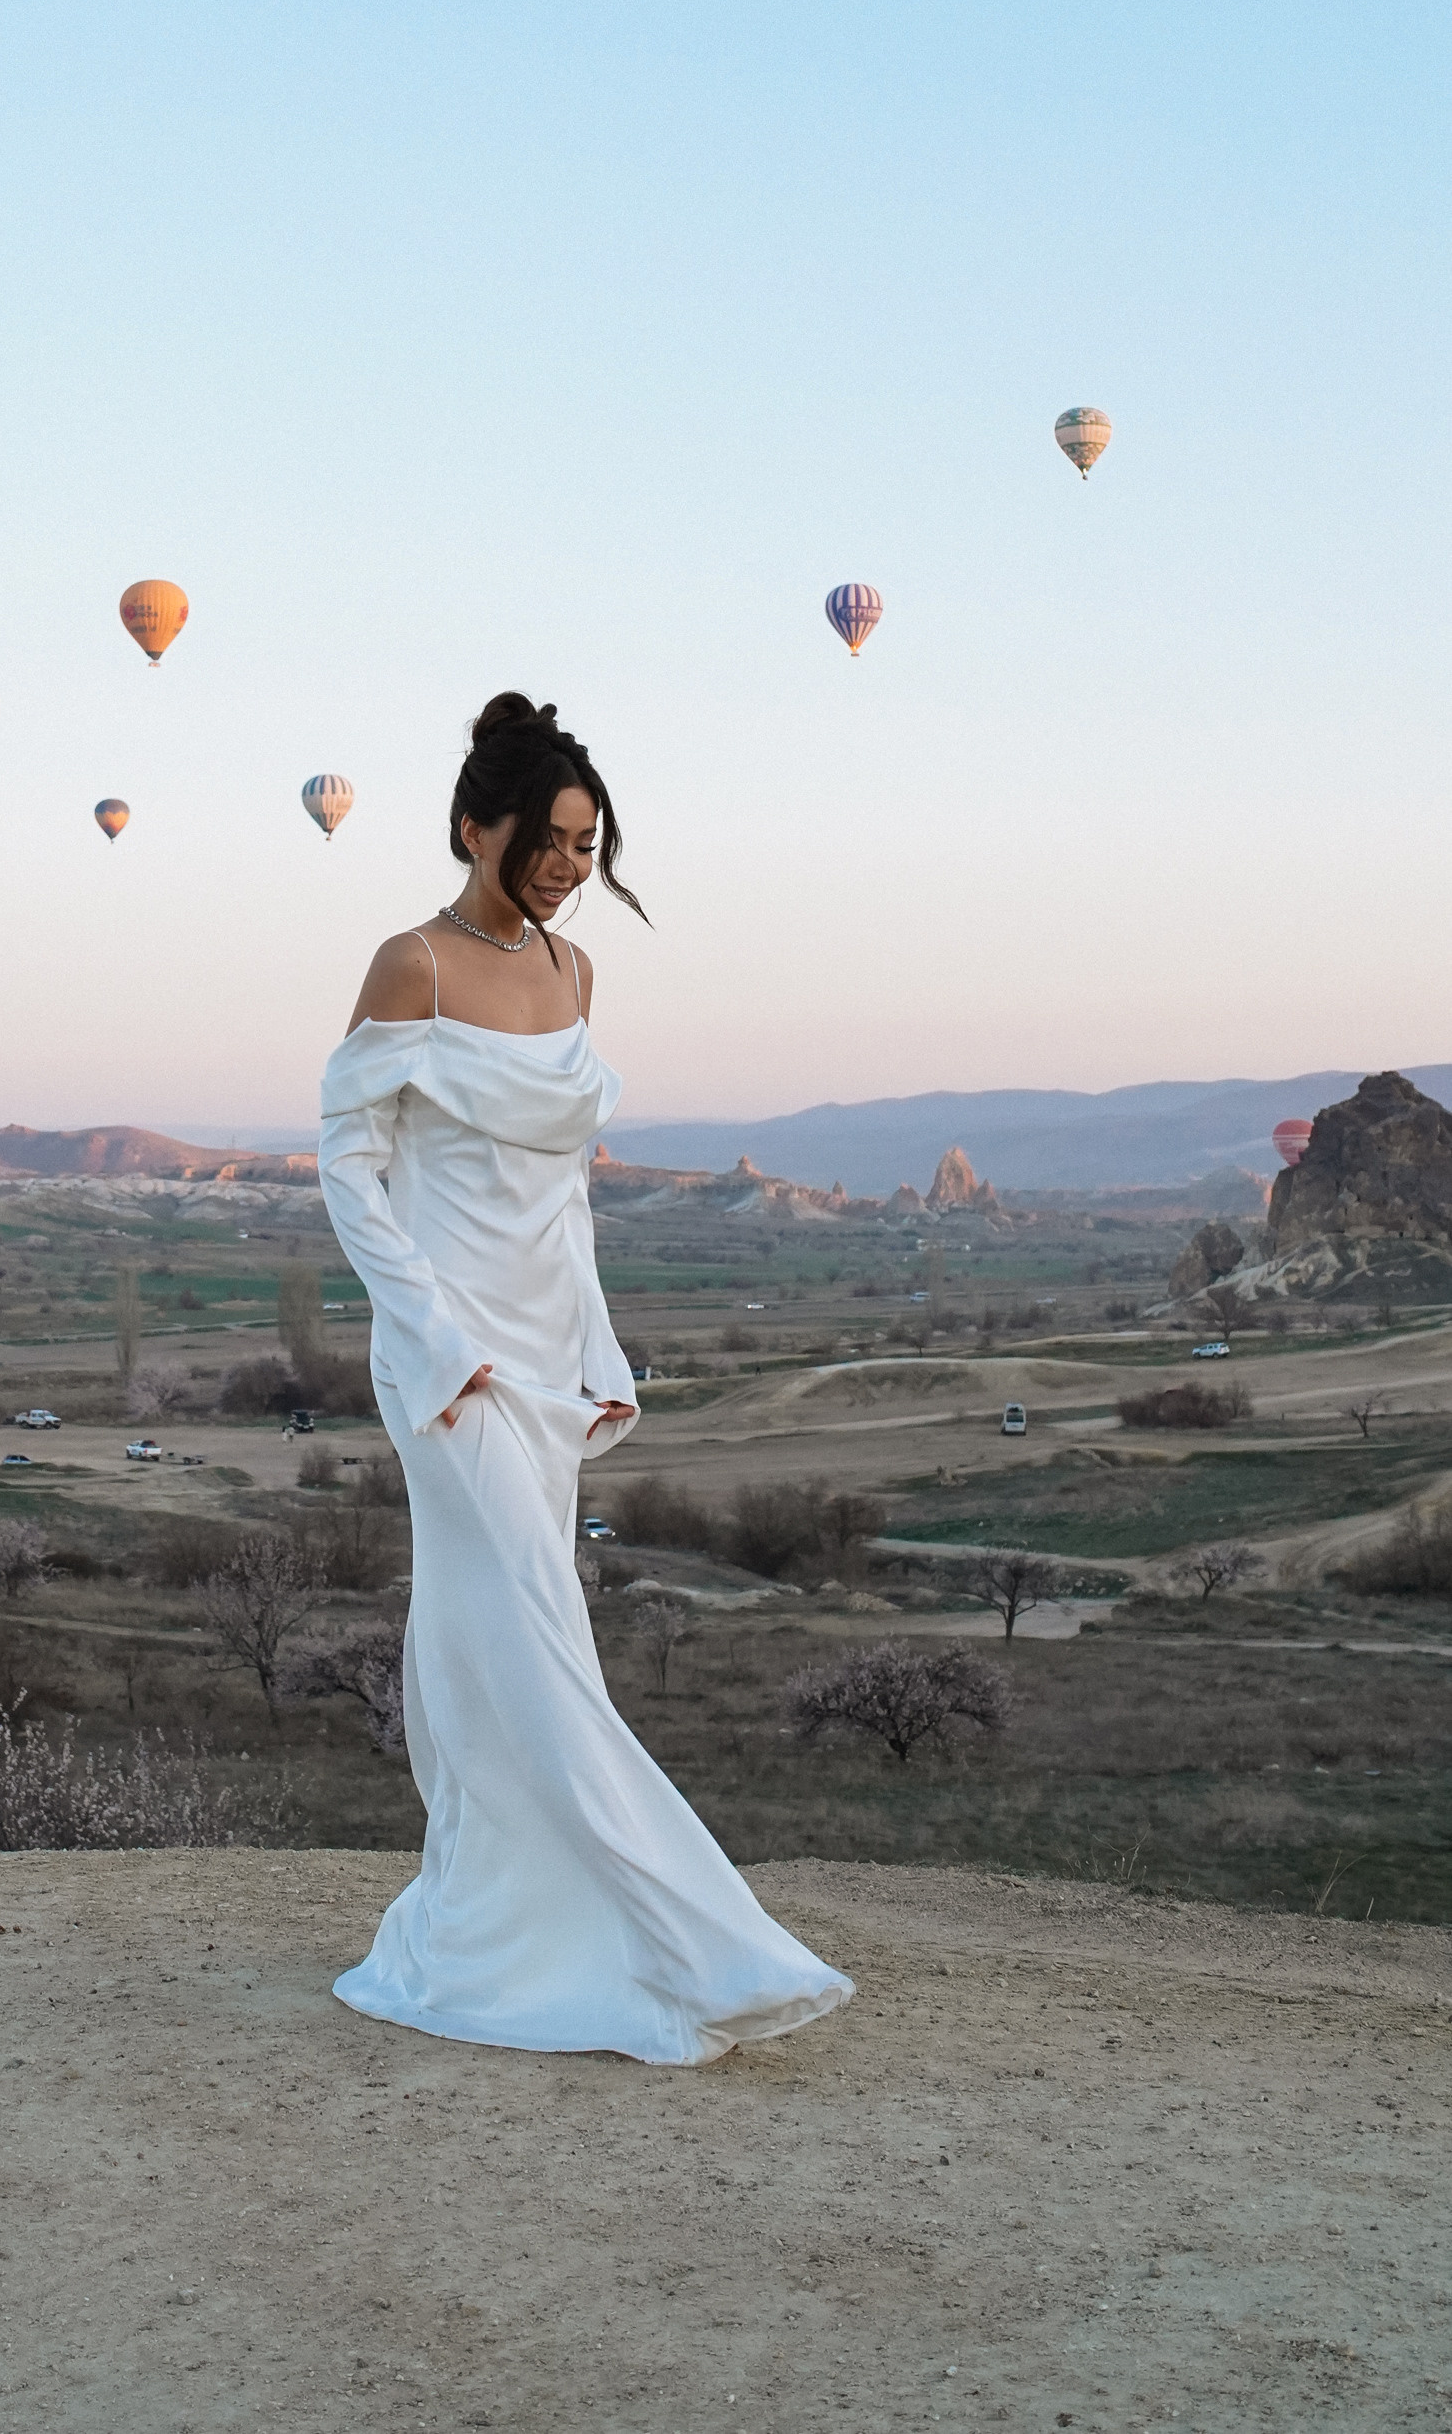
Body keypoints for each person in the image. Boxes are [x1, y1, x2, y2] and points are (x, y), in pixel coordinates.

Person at [318, 692, 852, 2066]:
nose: (566, 862)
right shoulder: (410, 968)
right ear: (470, 827)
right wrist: (437, 1335)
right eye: (546, 837)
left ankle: (490, 1928)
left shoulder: (572, 973)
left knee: (483, 1625)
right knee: (531, 1631)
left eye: (585, 839)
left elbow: (564, 1202)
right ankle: (693, 1940)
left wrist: (594, 1347)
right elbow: (351, 1173)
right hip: (445, 1352)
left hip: (543, 1344)